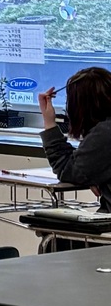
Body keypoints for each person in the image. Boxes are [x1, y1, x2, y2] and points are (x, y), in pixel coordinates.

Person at [38, 67, 111, 212]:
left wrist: (50, 123)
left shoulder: (105, 132)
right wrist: (91, 175)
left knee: (49, 224)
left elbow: (67, 170)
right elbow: (81, 166)